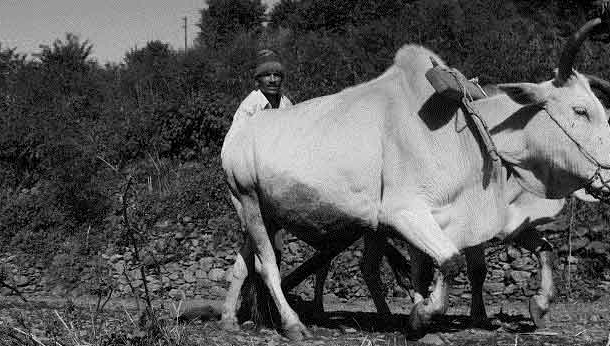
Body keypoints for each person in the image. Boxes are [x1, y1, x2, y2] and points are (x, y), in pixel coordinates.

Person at [232, 49, 292, 123]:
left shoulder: (286, 103)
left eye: (276, 75)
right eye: (267, 75)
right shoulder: (249, 107)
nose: (272, 80)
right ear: (257, 80)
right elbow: (237, 134)